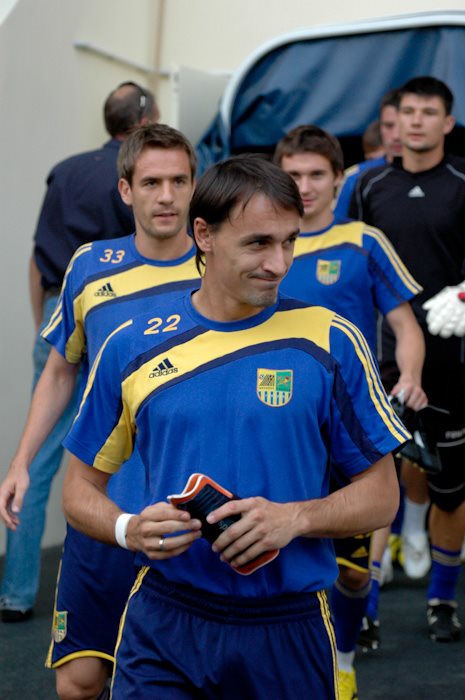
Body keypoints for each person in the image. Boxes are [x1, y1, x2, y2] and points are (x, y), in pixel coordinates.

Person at [61, 154, 406, 699]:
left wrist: (294, 518)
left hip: (287, 626)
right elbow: (78, 489)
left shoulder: (331, 339)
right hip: (164, 620)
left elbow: (382, 497)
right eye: (258, 243)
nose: (279, 263)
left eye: (289, 242)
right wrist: (129, 528)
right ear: (205, 234)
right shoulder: (130, 343)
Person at [0, 123, 199, 700]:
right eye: (152, 182)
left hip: (182, 509)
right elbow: (60, 370)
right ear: (126, 190)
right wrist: (21, 461)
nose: (167, 196)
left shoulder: (218, 270)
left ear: (194, 186)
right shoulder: (90, 266)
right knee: (79, 683)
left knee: (170, 679)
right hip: (100, 502)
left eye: (179, 181)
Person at [274, 124, 426, 698]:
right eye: (293, 174)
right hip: (278, 418)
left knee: (354, 573)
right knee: (277, 547)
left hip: (347, 425)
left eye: (317, 174)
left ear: (340, 178)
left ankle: (343, 657)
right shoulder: (260, 240)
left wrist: (409, 377)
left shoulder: (364, 241)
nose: (305, 186)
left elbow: (405, 326)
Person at [0, 81, 159, 625]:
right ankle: (126, 588)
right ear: (144, 122)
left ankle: (16, 593)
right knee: (126, 449)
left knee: (38, 461)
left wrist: (46, 327)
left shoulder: (64, 172)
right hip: (124, 318)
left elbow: (36, 258)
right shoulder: (133, 180)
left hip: (60, 310)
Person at [350, 76, 465, 643]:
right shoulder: (369, 185)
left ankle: (442, 599)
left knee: (452, 488)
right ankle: (365, 607)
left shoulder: (463, 183)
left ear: (447, 122)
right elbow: (349, 260)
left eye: (429, 112)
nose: (417, 121)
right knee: (376, 478)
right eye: (409, 111)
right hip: (383, 355)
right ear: (396, 120)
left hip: (452, 357)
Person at [334, 88, 402, 219]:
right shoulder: (355, 177)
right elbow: (340, 226)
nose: (396, 136)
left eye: (403, 125)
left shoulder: (443, 175)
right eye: (389, 126)